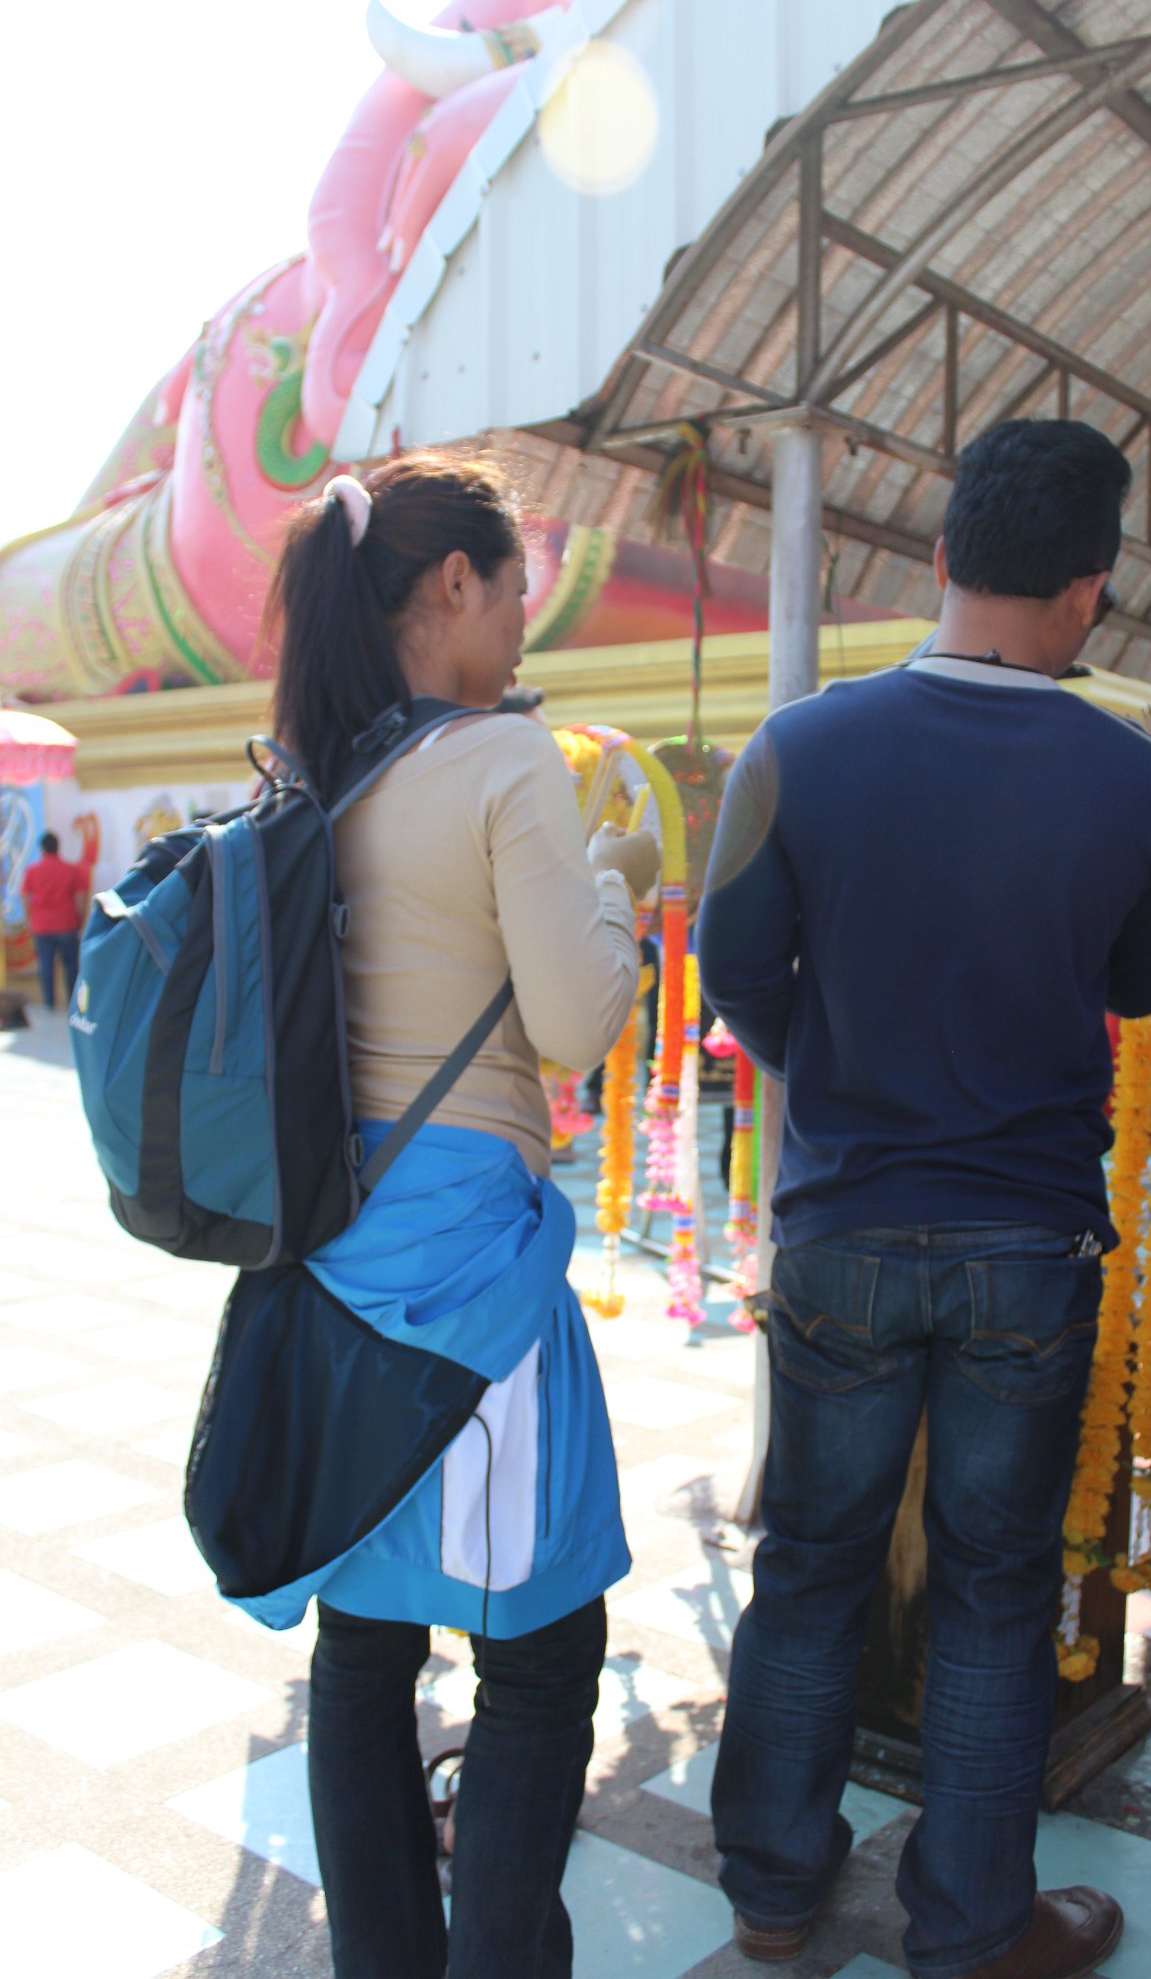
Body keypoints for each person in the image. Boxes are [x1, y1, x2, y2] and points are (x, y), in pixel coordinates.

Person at [698, 419, 1151, 1979]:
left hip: (841, 1226)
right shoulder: (1135, 779)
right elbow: (1141, 982)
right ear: (1089, 590)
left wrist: (836, 1064)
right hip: (1029, 1244)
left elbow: (731, 967)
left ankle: (772, 1891)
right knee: (993, 1592)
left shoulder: (798, 748)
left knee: (809, 1567)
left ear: (938, 556)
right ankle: (972, 1926)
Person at [264, 451, 658, 1979]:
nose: (520, 622)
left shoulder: (317, 773)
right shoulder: (503, 760)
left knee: (364, 1650)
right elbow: (573, 1023)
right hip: (472, 1280)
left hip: (330, 1269)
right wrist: (616, 885)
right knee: (543, 1653)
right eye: (512, 591)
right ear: (451, 585)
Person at [20, 830, 87, 1008]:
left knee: (46, 966)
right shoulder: (71, 870)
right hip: (67, 923)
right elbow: (80, 897)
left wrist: (30, 919)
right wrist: (79, 919)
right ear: (58, 847)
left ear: (42, 849)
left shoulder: (32, 870)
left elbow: (25, 897)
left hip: (42, 925)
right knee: (71, 966)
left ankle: (49, 1003)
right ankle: (72, 1003)